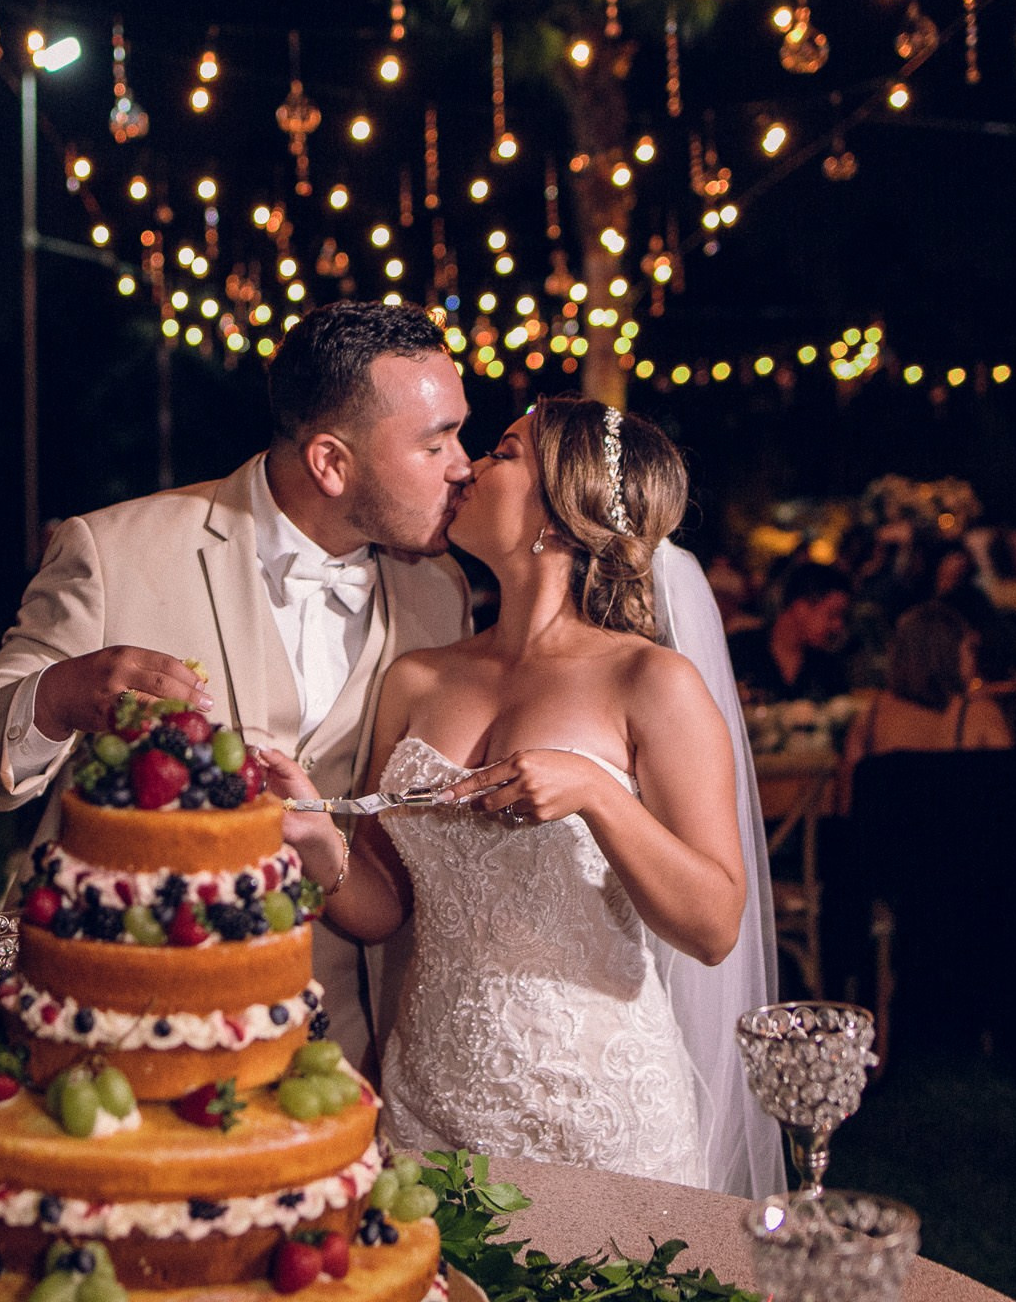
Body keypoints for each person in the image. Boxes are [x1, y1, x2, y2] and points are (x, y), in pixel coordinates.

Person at [257, 400, 782, 1196]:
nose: (469, 466)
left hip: (598, 1111)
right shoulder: (418, 679)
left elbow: (713, 927)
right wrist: (312, 838)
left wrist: (598, 794)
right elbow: (383, 906)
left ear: (560, 511)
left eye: (504, 453)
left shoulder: (650, 682)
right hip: (429, 1100)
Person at [0, 301, 474, 1073]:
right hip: (117, 1040)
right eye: (435, 442)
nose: (463, 464)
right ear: (330, 461)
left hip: (342, 1051)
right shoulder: (115, 551)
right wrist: (58, 696)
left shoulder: (441, 592)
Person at [839, 600, 1013, 802]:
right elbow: (1009, 794)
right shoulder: (978, 715)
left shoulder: (870, 718)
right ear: (948, 653)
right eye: (969, 649)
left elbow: (847, 801)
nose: (974, 660)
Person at [728, 561, 854, 702]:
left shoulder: (828, 667)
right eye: (832, 615)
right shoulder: (740, 650)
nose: (838, 625)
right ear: (800, 607)